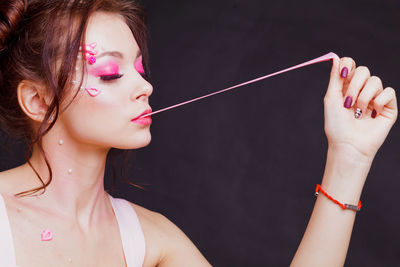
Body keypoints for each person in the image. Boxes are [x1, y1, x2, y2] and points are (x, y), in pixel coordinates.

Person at [0, 0, 397, 266]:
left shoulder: (150, 238)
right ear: (36, 100)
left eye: (139, 70)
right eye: (109, 72)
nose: (145, 87)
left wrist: (349, 158)